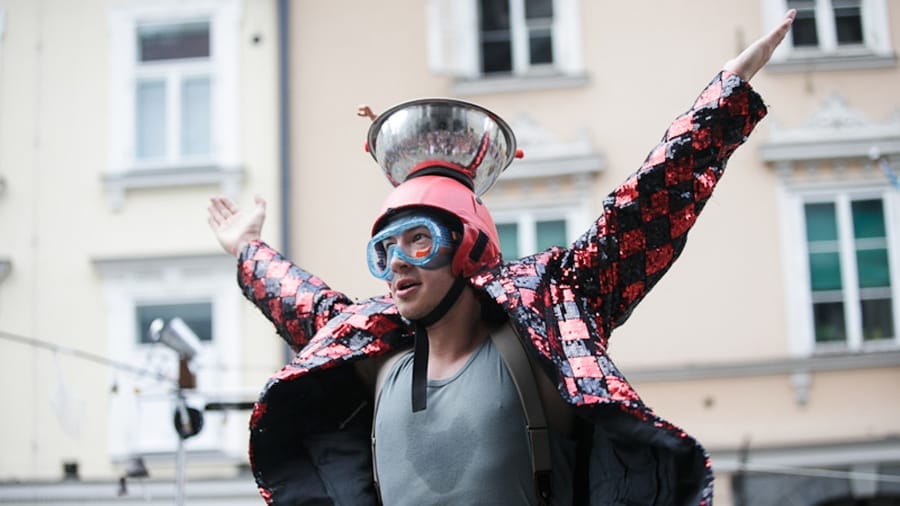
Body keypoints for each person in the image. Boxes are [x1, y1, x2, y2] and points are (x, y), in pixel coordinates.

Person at [207, 10, 796, 505]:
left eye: (418, 241)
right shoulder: (368, 348)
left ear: (468, 249)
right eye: (384, 250)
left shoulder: (545, 322)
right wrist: (247, 249)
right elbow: (303, 303)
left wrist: (724, 99)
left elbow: (640, 216)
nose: (397, 266)